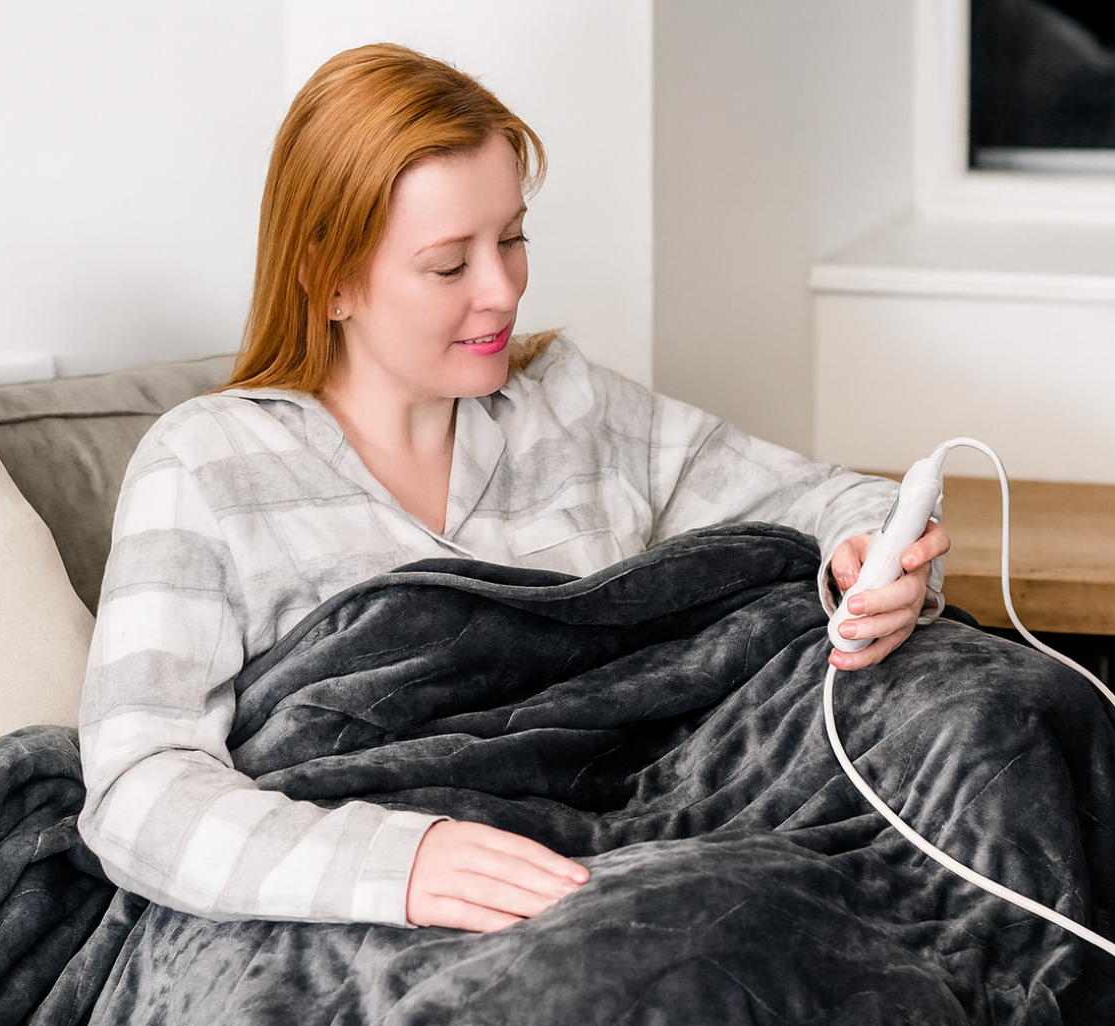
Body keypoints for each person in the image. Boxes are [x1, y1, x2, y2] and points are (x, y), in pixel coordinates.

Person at [77, 43, 949, 936]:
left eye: (514, 239)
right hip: (401, 924)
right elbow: (137, 789)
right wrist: (398, 863)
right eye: (450, 265)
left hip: (635, 851)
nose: (502, 290)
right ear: (328, 278)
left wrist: (874, 555)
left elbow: (820, 496)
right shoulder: (205, 465)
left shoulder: (575, 410)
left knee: (991, 711)